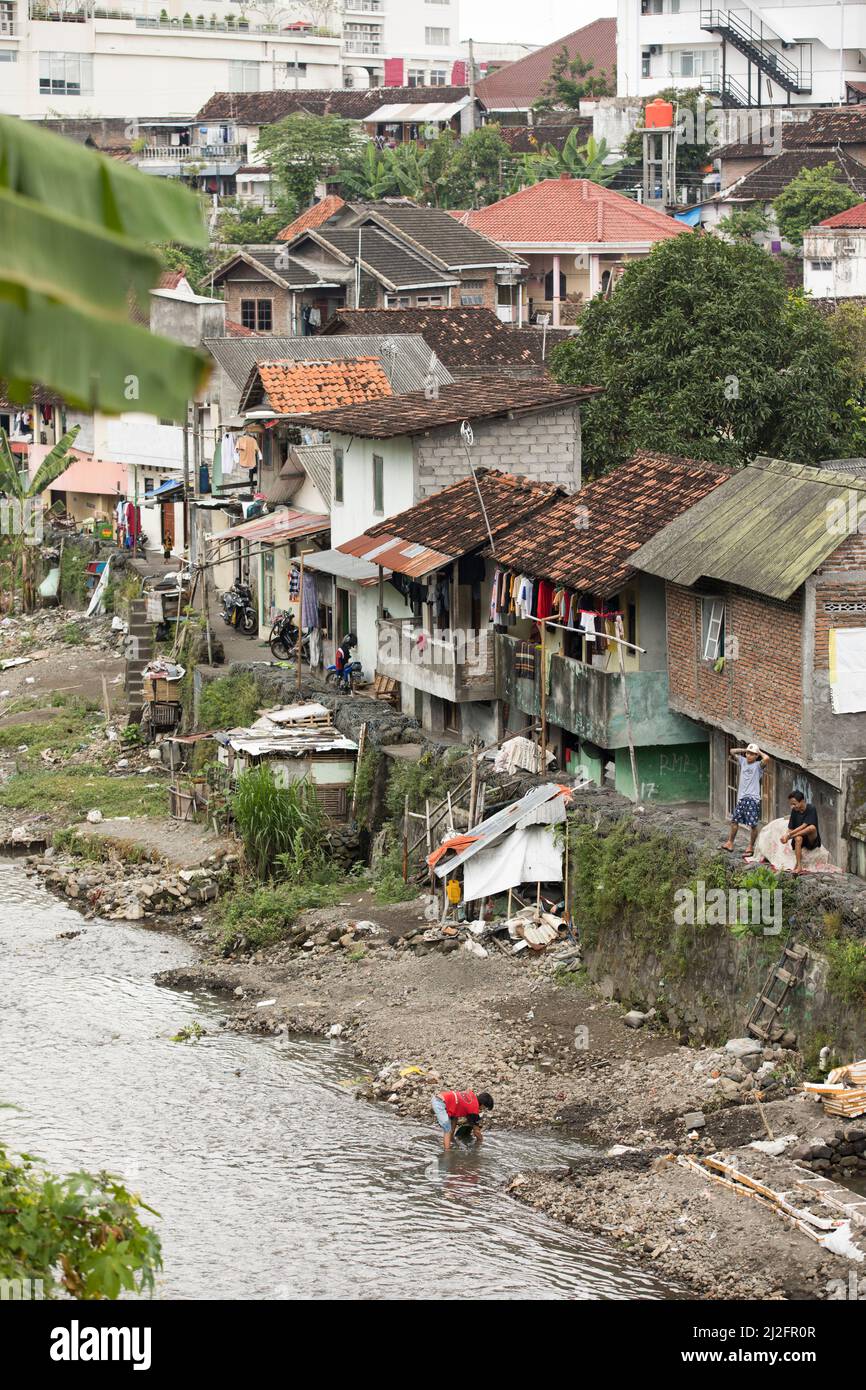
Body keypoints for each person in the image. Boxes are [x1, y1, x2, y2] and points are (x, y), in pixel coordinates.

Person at [722, 743, 770, 857]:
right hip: (742, 798)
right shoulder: (742, 761)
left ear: (756, 756)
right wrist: (745, 749)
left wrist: (759, 752)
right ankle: (730, 842)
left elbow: (767, 758)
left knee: (753, 825)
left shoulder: (759, 766)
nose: (749, 756)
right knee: (734, 821)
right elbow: (732, 751)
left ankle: (750, 847)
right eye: (748, 753)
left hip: (752, 799)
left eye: (752, 754)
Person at [782, 790, 821, 874]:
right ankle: (799, 866)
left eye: (794, 804)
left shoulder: (811, 808)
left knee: (812, 827)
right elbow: (790, 827)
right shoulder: (794, 811)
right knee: (798, 838)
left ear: (802, 801)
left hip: (811, 840)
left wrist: (789, 835)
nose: (792, 806)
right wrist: (786, 835)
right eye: (791, 804)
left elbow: (804, 826)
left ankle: (792, 837)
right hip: (799, 838)